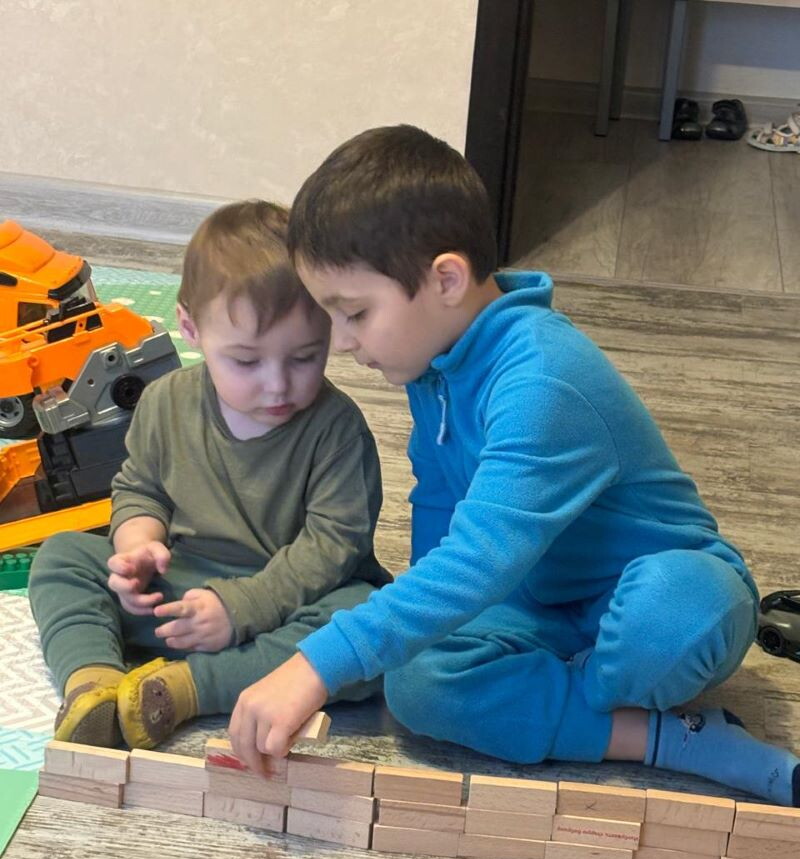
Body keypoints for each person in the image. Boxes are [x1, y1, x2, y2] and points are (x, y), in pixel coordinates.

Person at [227, 125, 800, 807]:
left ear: (446, 279)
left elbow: (477, 559)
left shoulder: (542, 381)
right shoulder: (434, 365)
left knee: (678, 614)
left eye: (354, 313)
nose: (343, 342)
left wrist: (317, 664)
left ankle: (575, 699)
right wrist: (413, 635)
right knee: (415, 684)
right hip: (538, 602)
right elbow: (439, 512)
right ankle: (661, 736)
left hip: (655, 588)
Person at [29, 199, 391, 750]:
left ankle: (187, 688)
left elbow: (333, 548)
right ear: (190, 328)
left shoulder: (338, 429)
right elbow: (140, 488)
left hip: (289, 603)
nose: (277, 384)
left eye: (304, 357)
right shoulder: (165, 402)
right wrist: (136, 547)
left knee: (368, 624)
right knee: (61, 557)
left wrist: (240, 609)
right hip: (181, 595)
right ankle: (93, 683)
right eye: (246, 361)